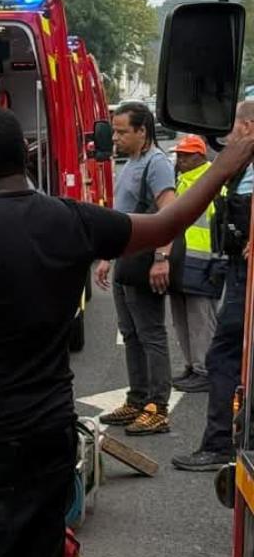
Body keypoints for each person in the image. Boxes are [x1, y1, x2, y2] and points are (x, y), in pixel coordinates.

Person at [0, 104, 254, 557]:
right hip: (48, 437)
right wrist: (224, 165)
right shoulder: (73, 220)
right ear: (25, 155)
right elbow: (166, 224)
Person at [174, 101, 254, 472]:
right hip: (236, 268)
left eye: (234, 126)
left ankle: (220, 443)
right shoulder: (242, 165)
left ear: (248, 126)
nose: (228, 135)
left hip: (246, 274)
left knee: (223, 354)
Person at [95, 102, 178, 435]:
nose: (115, 137)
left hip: (145, 262)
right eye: (114, 131)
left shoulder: (156, 164)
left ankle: (157, 407)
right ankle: (137, 398)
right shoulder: (130, 162)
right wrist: (107, 258)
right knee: (130, 334)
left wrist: (161, 258)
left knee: (151, 335)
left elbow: (169, 213)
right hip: (125, 261)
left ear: (142, 131)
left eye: (122, 131)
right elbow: (123, 213)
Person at [168, 135, 220, 394]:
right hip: (181, 259)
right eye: (179, 155)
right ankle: (191, 366)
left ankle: (205, 370)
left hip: (203, 262)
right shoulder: (182, 181)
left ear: (200, 156)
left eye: (186, 155)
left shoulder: (211, 181)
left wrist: (217, 263)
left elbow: (218, 227)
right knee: (181, 317)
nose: (180, 159)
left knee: (201, 319)